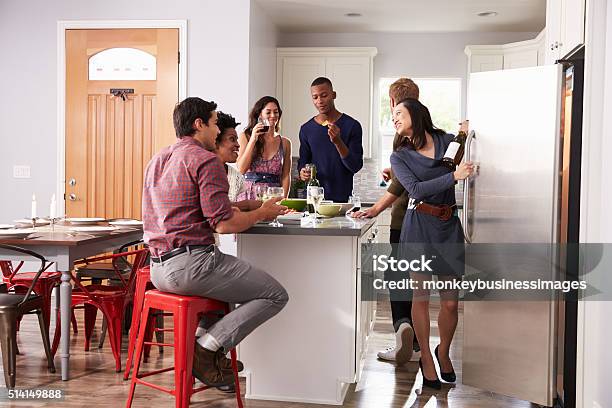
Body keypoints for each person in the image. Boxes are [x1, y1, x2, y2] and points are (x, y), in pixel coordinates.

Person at [142, 97, 289, 388]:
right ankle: (206, 350)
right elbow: (224, 224)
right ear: (199, 125)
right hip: (192, 265)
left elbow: (198, 209)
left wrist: (251, 207)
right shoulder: (205, 159)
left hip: (158, 269)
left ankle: (203, 348)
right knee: (275, 295)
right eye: (213, 122)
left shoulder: (158, 158)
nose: (215, 129)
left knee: (222, 297)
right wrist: (261, 213)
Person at [389, 98, 473, 389]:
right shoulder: (400, 156)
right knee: (421, 298)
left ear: (416, 112)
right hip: (418, 226)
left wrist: (467, 132)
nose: (394, 119)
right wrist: (453, 176)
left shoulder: (447, 141)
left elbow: (473, 151)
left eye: (398, 113)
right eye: (392, 116)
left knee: (450, 302)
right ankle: (426, 357)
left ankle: (443, 352)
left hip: (447, 225)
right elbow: (415, 190)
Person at [352, 78, 421, 365]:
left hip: (403, 220)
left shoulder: (402, 131)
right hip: (426, 224)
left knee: (397, 278)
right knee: (419, 284)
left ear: (393, 102)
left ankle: (402, 328)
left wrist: (375, 208)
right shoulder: (428, 131)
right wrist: (394, 175)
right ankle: (416, 346)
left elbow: (404, 185)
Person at [297, 77, 363, 203]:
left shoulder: (352, 126)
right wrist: (302, 172)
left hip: (343, 202)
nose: (320, 101)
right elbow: (303, 162)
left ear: (333, 95)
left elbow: (355, 166)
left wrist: (338, 141)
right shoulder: (306, 129)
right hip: (315, 202)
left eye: (324, 95)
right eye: (315, 97)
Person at [236, 96, 292, 200]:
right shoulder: (245, 136)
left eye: (276, 112)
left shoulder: (285, 143)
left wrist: (284, 200)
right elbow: (241, 169)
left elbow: (285, 176)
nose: (273, 115)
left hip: (273, 197)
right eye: (268, 112)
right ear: (260, 115)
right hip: (248, 196)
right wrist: (253, 139)